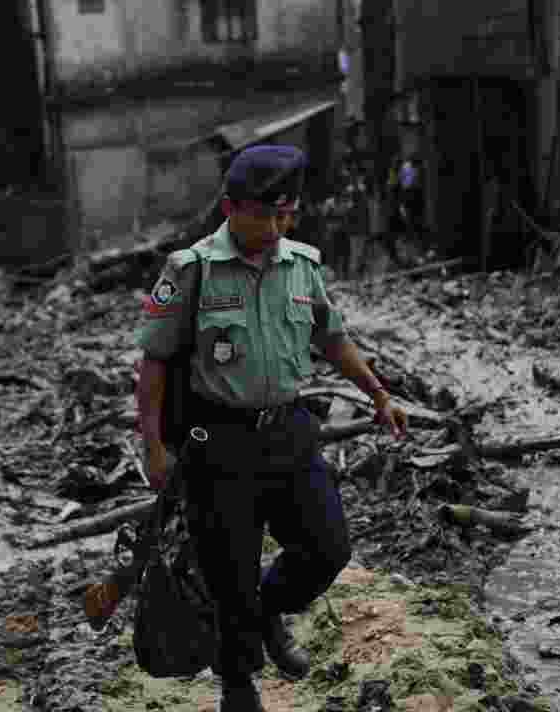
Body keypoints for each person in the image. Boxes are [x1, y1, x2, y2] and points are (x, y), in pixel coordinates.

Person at [134, 145, 409, 712]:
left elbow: (331, 338)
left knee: (326, 547)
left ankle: (268, 612)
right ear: (234, 209)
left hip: (287, 431)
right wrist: (155, 447)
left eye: (288, 214)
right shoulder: (192, 271)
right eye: (271, 215)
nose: (283, 226)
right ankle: (237, 682)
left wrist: (378, 395)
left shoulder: (300, 264)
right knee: (228, 569)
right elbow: (154, 363)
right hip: (218, 442)